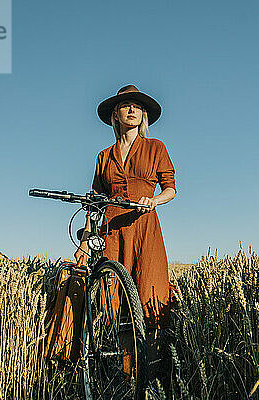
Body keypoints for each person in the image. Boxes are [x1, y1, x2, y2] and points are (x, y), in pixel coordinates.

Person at [74, 84, 177, 390]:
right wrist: (85, 240)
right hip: (112, 227)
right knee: (113, 299)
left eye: (136, 106)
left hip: (145, 225)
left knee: (149, 293)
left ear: (142, 115)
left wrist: (153, 201)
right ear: (114, 116)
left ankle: (152, 372)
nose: (132, 110)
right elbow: (95, 200)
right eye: (125, 106)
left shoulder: (155, 147)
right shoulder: (103, 156)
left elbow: (170, 188)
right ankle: (121, 372)